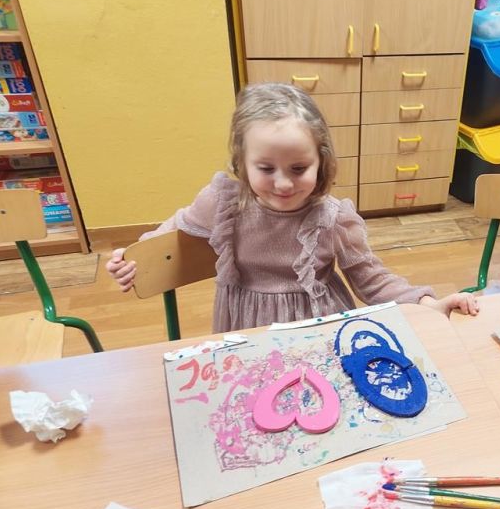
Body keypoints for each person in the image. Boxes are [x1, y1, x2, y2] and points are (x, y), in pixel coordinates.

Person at [107, 83, 478, 332]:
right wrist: (134, 256)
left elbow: (370, 277)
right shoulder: (222, 202)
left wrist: (427, 302)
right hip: (245, 326)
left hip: (319, 326)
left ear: (321, 161)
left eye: (298, 169)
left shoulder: (333, 218)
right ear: (242, 162)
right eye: (266, 169)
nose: (283, 184)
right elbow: (178, 227)